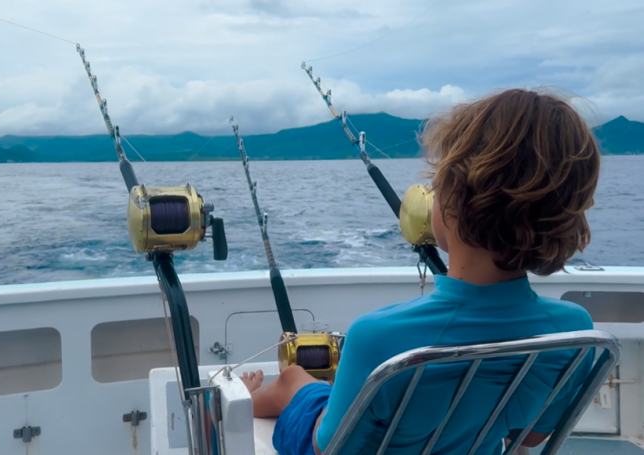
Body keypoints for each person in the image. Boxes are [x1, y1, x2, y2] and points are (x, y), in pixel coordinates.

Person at [241, 88, 601, 455]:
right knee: (313, 386)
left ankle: (246, 401)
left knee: (294, 382)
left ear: (453, 200)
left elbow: (329, 448)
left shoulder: (378, 338)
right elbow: (533, 436)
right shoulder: (574, 330)